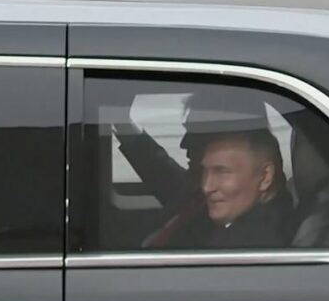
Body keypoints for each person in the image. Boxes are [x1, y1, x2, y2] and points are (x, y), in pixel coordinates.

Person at [114, 88, 292, 248]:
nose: (183, 143)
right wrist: (121, 120)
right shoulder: (218, 195)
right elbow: (167, 177)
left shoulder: (248, 244)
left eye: (196, 134)